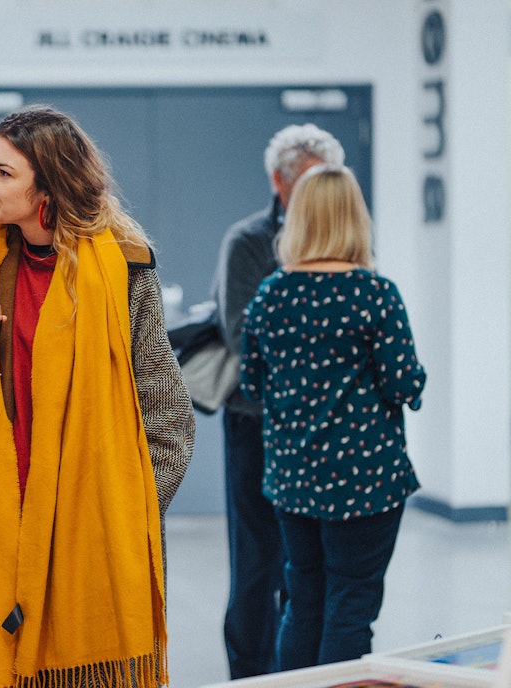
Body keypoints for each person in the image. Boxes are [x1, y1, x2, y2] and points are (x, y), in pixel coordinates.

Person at [0, 104, 196, 688]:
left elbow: (167, 411)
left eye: (3, 172)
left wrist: (122, 507)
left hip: (91, 527)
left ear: (50, 185)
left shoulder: (126, 266)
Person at [240, 163, 426, 670]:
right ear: (354, 218)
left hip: (294, 480)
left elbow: (251, 384)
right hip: (365, 481)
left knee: (303, 602)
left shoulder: (270, 295)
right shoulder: (375, 294)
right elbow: (404, 384)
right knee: (351, 606)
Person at [210, 123, 345, 679]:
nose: (321, 194)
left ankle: (304, 673)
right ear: (279, 182)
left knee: (313, 567)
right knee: (257, 563)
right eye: (309, 181)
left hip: (325, 430)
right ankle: (250, 676)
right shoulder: (248, 242)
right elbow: (242, 337)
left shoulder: (347, 245)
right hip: (257, 424)